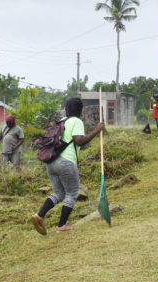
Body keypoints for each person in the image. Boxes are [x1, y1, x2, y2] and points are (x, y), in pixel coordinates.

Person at [30, 97, 104, 235]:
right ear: (80, 111)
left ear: (66, 109)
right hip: (66, 162)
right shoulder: (76, 121)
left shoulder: (62, 121)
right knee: (72, 192)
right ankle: (61, 225)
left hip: (51, 162)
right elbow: (79, 141)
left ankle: (39, 216)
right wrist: (97, 130)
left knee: (59, 193)